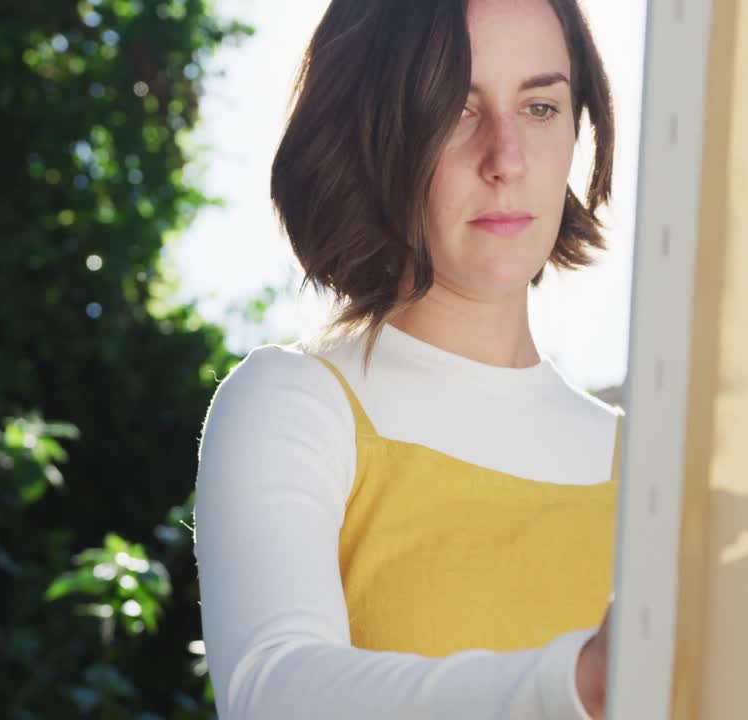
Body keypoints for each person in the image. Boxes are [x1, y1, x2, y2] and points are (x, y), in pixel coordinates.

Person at [192, 0, 621, 717]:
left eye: (541, 106)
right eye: (457, 109)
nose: (506, 160)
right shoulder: (293, 404)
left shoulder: (650, 466)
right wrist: (574, 684)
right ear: (371, 132)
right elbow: (273, 690)